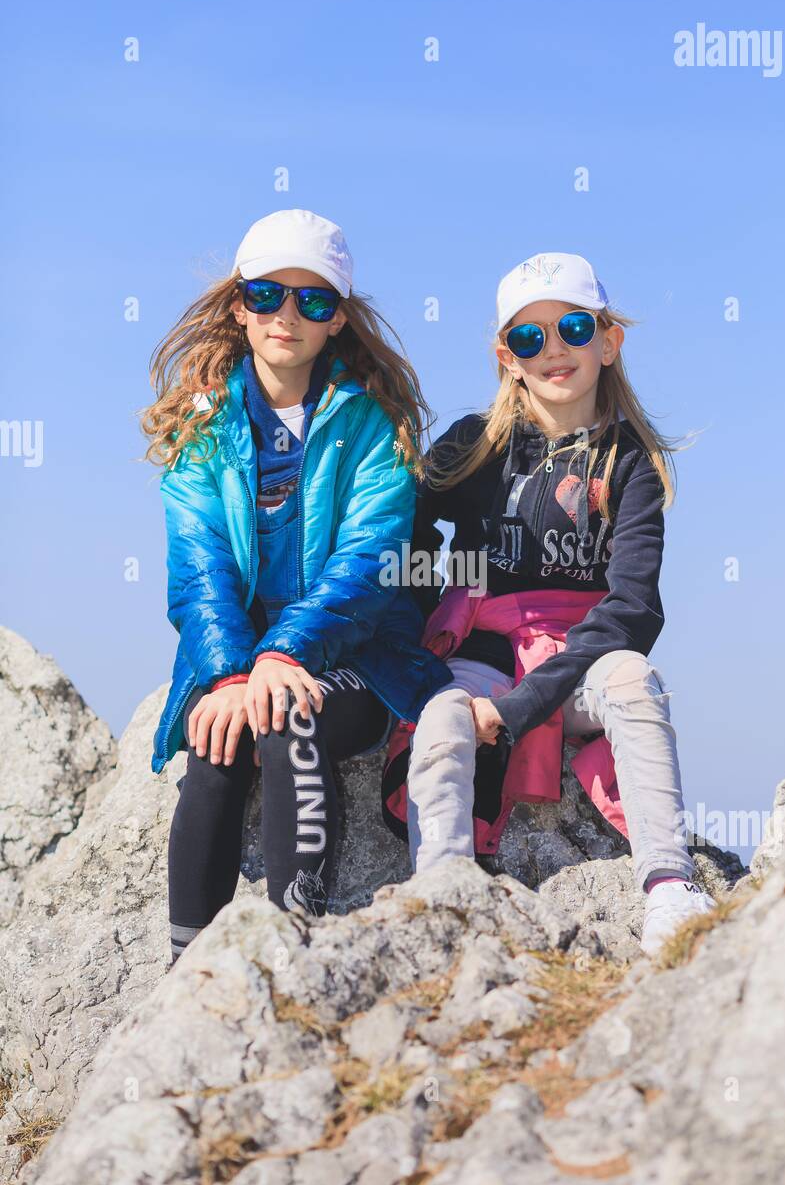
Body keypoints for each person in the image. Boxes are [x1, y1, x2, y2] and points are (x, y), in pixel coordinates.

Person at [382, 251, 716, 957]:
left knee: (634, 679)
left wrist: (520, 708)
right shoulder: (473, 444)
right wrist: (424, 610)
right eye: (530, 338)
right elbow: (406, 525)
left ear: (607, 339)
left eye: (570, 327)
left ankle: (670, 885)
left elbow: (633, 610)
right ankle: (442, 887)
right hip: (486, 642)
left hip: (582, 660)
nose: (553, 351)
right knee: (440, 710)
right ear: (508, 356)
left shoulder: (629, 463)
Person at [142, 209, 451, 965]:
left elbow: (371, 566)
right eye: (268, 295)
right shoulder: (200, 431)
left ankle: (293, 952)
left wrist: (285, 656)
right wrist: (226, 673)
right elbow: (199, 571)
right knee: (214, 745)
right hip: (244, 655)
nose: (288, 315)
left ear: (337, 318)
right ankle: (188, 975)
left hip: (359, 652)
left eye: (312, 301)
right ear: (239, 304)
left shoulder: (375, 426)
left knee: (286, 721)